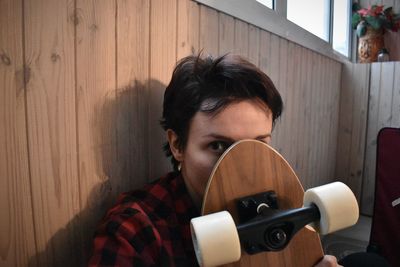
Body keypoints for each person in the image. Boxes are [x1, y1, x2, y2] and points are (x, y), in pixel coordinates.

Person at [88, 54, 387, 267]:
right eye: (219, 145)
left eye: (259, 144)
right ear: (177, 144)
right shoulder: (134, 229)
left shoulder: (279, 202)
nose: (243, 168)